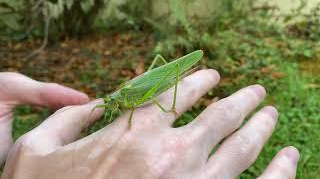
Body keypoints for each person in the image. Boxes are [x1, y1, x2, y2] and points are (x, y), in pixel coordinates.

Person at [0, 70, 299, 179]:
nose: (112, 109)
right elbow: (114, 103)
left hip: (150, 88)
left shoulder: (127, 103)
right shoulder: (117, 102)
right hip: (139, 89)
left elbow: (143, 103)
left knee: (148, 99)